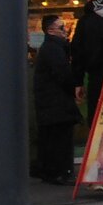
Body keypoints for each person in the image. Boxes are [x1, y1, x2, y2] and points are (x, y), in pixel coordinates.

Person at [33, 15, 82, 184]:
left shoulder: (51, 47)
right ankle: (61, 171)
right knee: (60, 139)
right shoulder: (54, 49)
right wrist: (74, 87)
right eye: (61, 28)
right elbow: (63, 75)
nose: (65, 30)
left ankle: (50, 171)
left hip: (50, 103)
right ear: (50, 30)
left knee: (51, 138)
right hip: (57, 103)